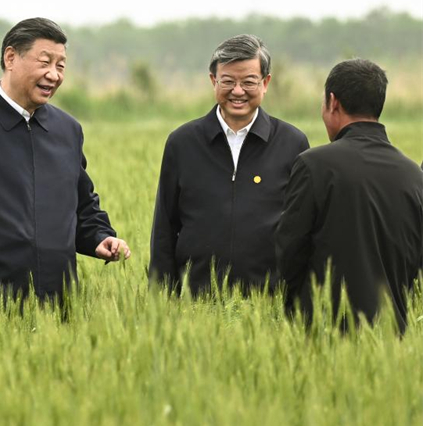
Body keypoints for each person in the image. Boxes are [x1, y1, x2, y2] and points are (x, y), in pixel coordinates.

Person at [0, 17, 130, 310]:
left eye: (61, 66)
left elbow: (82, 205)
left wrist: (99, 237)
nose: (54, 75)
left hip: (59, 302)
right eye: (45, 62)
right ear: (10, 57)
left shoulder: (67, 130)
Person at [149, 34, 309, 295]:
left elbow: (302, 232)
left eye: (248, 82)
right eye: (227, 81)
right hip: (196, 302)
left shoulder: (292, 143)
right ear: (213, 80)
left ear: (265, 82)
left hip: (268, 302)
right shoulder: (183, 143)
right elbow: (164, 230)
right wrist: (161, 301)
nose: (237, 91)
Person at [276, 59, 423, 332]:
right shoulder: (413, 175)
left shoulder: (313, 166)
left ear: (333, 102)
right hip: (393, 337)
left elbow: (290, 253)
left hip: (323, 332)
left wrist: (294, 312)